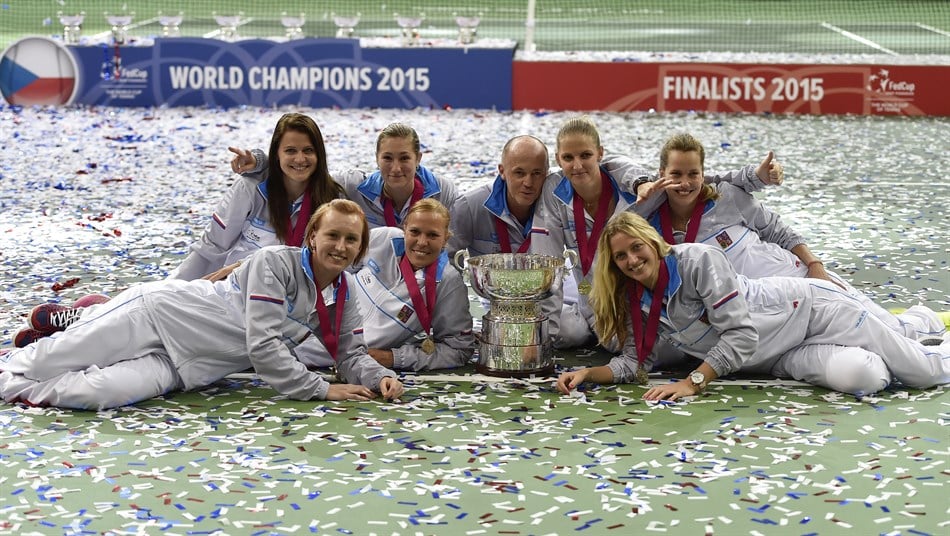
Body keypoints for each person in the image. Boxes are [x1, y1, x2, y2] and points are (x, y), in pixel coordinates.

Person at [0, 200, 404, 410]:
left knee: (97, 393)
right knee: (44, 362)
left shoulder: (343, 293)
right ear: (312, 236)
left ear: (360, 247)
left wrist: (378, 378)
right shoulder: (274, 263)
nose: (341, 246)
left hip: (186, 368)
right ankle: (33, 352)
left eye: (351, 240)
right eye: (333, 235)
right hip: (156, 316)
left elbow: (351, 353)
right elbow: (263, 346)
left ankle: (14, 382)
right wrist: (321, 389)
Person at [555, 212, 950, 400]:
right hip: (777, 359)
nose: (631, 260)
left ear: (653, 242)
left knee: (923, 372)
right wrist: (588, 373)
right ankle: (897, 341)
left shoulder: (696, 261)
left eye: (636, 247)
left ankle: (921, 325)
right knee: (864, 377)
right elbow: (633, 362)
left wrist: (693, 382)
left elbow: (741, 335)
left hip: (816, 314)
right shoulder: (636, 298)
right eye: (620, 256)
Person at [639, 132, 945, 343]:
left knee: (885, 325)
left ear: (703, 173)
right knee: (852, 333)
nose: (685, 183)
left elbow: (778, 231)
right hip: (766, 304)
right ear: (661, 173)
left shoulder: (727, 197)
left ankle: (924, 322)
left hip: (794, 275)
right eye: (676, 174)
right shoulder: (650, 224)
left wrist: (814, 264)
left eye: (693, 173)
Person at [530, 116, 784, 349]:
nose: (577, 165)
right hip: (593, 296)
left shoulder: (640, 187)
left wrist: (755, 177)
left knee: (676, 345)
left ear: (600, 153)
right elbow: (546, 263)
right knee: (603, 341)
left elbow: (691, 179)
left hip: (639, 296)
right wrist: (540, 339)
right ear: (558, 159)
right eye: (568, 158)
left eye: (586, 155)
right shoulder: (554, 192)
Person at [172, 112, 345, 281]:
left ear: (319, 154)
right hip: (238, 288)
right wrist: (175, 287)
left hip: (297, 292)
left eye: (308, 150)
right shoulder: (249, 189)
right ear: (276, 154)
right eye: (290, 151)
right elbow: (213, 247)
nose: (300, 159)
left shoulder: (332, 200)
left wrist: (246, 265)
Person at [233, 122, 458, 230]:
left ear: (418, 158)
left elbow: (452, 247)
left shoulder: (442, 192)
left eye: (405, 158)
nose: (396, 168)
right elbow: (306, 172)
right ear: (376, 158)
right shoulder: (354, 186)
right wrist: (259, 161)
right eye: (388, 158)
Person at [353, 199, 476, 371]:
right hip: (319, 333)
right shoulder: (382, 239)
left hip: (351, 359)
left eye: (432, 235)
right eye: (415, 232)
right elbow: (337, 274)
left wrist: (393, 358)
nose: (422, 242)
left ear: (445, 239)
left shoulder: (448, 282)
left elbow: (458, 350)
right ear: (404, 229)